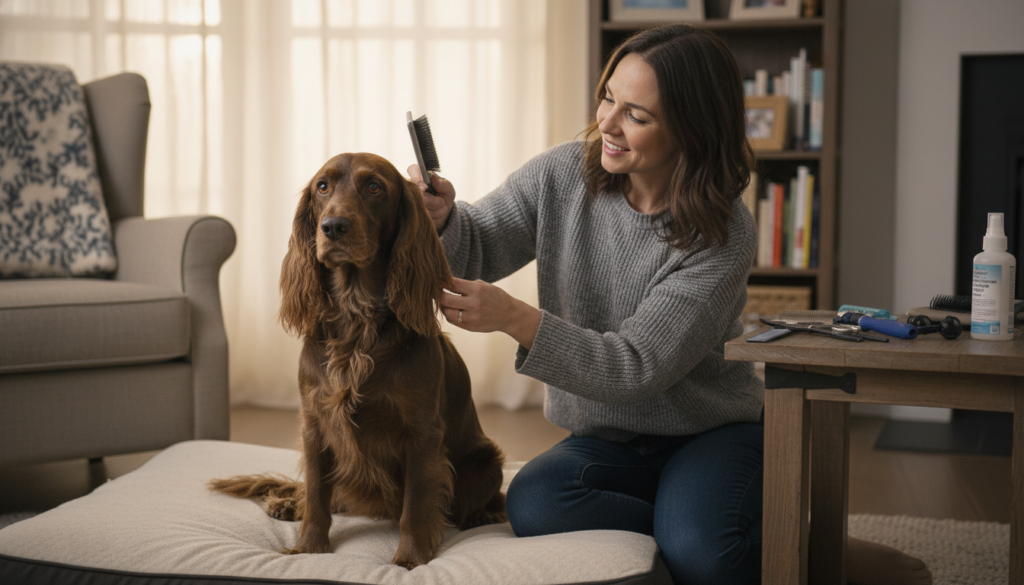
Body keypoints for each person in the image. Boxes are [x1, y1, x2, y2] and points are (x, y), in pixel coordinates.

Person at [410, 23, 931, 585]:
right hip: (607, 440)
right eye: (609, 96)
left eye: (637, 114)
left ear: (690, 129)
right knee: (534, 502)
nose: (607, 122)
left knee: (706, 554)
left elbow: (636, 365)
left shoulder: (723, 233)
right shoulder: (562, 173)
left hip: (709, 433)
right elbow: (481, 242)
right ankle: (703, 528)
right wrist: (444, 221)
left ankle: (811, 553)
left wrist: (516, 319)